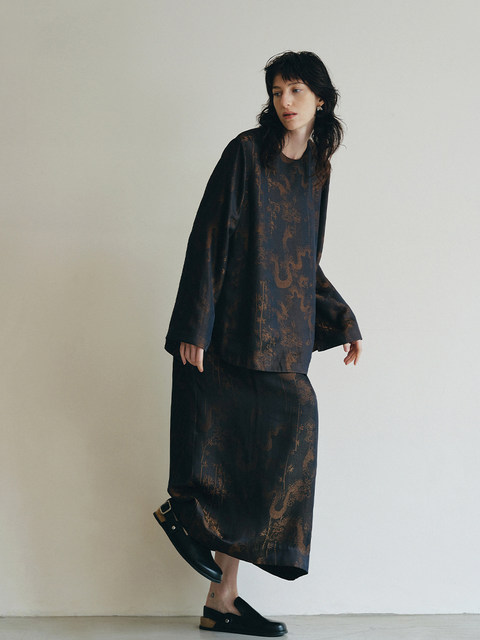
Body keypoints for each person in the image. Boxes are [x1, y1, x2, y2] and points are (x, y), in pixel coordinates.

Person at [153, 50, 363, 637]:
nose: (285, 101)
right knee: (225, 455)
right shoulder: (246, 152)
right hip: (230, 331)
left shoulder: (317, 169)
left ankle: (221, 598)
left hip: (282, 338)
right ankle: (185, 513)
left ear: (321, 98)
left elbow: (305, 257)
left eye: (296, 90)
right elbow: (209, 237)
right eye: (277, 91)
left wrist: (341, 319)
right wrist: (194, 324)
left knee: (271, 460)